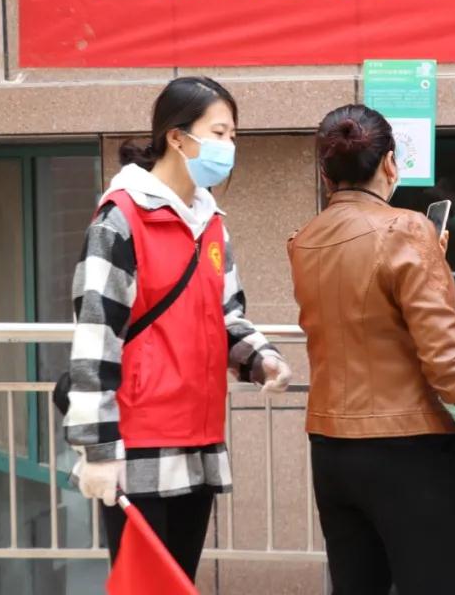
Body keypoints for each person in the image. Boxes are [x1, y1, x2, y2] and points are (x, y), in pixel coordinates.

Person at [63, 77, 292, 579]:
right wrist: (98, 449)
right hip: (137, 442)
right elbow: (95, 337)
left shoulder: (210, 222)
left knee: (178, 582)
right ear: (176, 137)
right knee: (145, 587)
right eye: (219, 133)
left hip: (198, 436)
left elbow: (226, 315)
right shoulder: (120, 220)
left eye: (233, 136)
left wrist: (261, 358)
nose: (229, 147)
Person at [287, 104, 455, 595]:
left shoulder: (304, 241)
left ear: (326, 173)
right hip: (407, 447)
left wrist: (430, 258)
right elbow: (443, 349)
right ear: (390, 162)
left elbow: (359, 312)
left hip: (331, 447)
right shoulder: (407, 229)